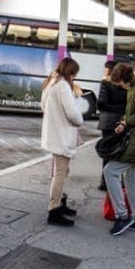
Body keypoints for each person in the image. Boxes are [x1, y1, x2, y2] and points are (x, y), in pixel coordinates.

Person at [103, 65, 135, 235]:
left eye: (119, 82)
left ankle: (122, 215)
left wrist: (126, 122)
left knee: (110, 171)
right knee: (132, 178)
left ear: (124, 78)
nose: (119, 86)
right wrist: (123, 122)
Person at [39, 57, 84, 226]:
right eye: (74, 74)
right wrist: (80, 120)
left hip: (54, 134)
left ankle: (60, 202)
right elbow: (73, 113)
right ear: (70, 72)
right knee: (60, 173)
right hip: (61, 136)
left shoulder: (51, 82)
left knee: (62, 172)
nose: (74, 77)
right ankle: (54, 210)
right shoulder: (63, 86)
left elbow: (43, 106)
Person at [96, 61, 128, 191]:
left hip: (107, 122)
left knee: (107, 152)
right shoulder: (126, 85)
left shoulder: (105, 83)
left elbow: (101, 103)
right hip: (122, 121)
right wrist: (121, 110)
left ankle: (105, 181)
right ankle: (119, 180)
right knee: (121, 151)